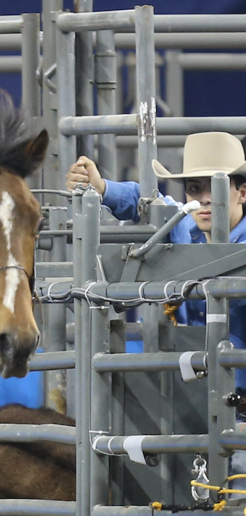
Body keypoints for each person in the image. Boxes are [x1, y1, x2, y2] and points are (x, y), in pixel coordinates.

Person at [67, 132, 246, 488]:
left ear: (243, 192)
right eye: (194, 189)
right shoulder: (184, 226)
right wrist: (102, 188)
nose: (205, 199)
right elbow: (148, 202)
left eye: (216, 186)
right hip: (191, 403)